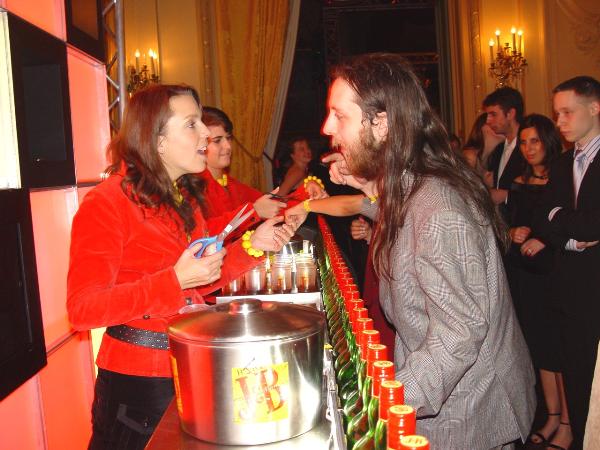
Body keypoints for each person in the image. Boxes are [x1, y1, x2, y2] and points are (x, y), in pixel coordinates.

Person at [305, 53, 536, 449]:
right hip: (458, 401)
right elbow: (405, 218)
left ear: (381, 124)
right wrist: (369, 186)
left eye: (339, 115)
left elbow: (458, 333)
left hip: (471, 415)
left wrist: (381, 404)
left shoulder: (439, 208)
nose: (327, 127)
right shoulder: (415, 183)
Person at [67, 84, 295, 450]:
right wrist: (173, 281)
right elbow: (83, 310)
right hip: (140, 382)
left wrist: (253, 245)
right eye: (192, 124)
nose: (205, 133)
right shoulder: (106, 203)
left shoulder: (182, 198)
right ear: (157, 140)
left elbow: (201, 283)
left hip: (191, 364)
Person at [535, 75, 600, 449]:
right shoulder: (561, 164)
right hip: (569, 292)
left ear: (594, 108)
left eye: (567, 112)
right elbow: (543, 218)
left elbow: (595, 223)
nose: (559, 122)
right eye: (556, 114)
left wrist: (561, 219)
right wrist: (573, 239)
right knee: (576, 381)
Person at [503, 114, 570, 448]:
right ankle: (552, 416)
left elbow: (567, 224)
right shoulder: (519, 181)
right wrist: (512, 232)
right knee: (540, 348)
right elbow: (507, 223)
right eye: (524, 142)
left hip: (554, 272)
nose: (529, 148)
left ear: (548, 141)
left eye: (535, 141)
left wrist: (542, 238)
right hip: (524, 273)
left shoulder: (563, 177)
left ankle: (568, 423)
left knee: (559, 349)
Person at [198, 106, 286, 235]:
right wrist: (252, 212)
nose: (228, 146)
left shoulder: (231, 184)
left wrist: (307, 194)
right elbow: (205, 234)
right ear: (199, 144)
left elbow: (274, 205)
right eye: (217, 141)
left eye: (228, 138)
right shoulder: (193, 189)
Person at [483, 87, 526, 212]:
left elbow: (539, 192)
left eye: (493, 114)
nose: (488, 121)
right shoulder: (499, 149)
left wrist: (506, 196)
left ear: (510, 114)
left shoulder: (530, 147)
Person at [462, 112, 504, 184]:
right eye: (491, 124)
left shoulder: (496, 159)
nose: (498, 129)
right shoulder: (470, 156)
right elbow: (462, 187)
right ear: (481, 127)